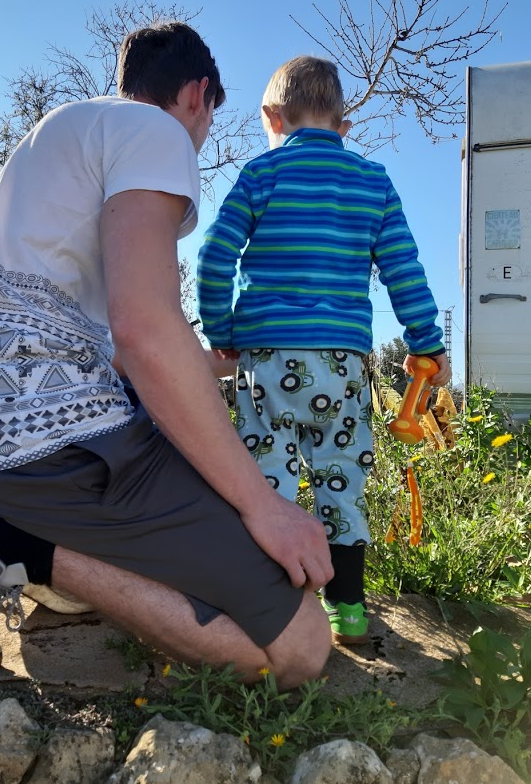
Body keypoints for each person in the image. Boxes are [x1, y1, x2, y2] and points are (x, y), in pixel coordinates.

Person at [0, 25, 333, 688]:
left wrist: (217, 364)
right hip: (53, 442)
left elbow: (125, 349)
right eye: (209, 117)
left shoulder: (66, 131)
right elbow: (142, 328)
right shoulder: (156, 133)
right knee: (297, 646)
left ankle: (29, 534)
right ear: (198, 95)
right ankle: (1, 541)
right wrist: (265, 506)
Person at [196, 55, 451, 645]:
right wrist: (428, 345)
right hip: (343, 367)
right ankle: (350, 610)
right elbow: (404, 272)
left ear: (272, 116)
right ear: (344, 126)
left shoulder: (260, 175)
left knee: (269, 480)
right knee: (341, 477)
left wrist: (223, 331)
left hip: (267, 362)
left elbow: (214, 257)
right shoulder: (373, 181)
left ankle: (275, 608)